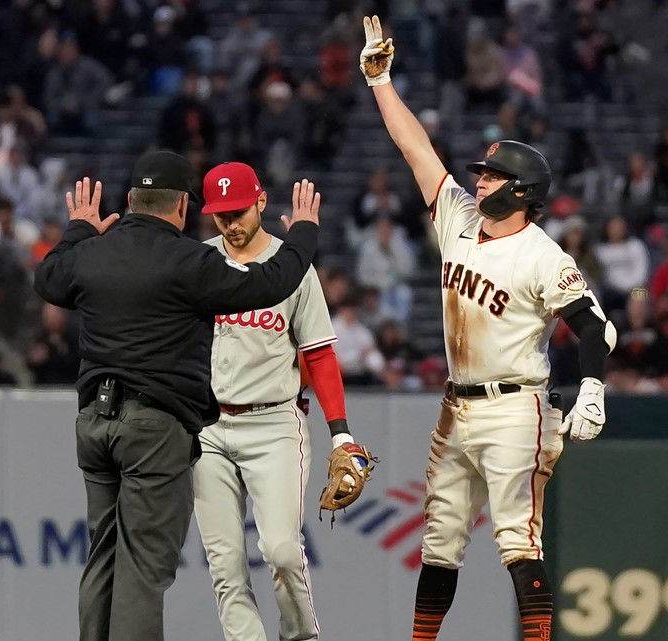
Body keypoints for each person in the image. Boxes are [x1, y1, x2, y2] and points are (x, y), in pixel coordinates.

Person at [360, 16, 617, 641]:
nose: (478, 180)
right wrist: (381, 82)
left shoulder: (543, 254)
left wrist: (593, 389)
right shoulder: (457, 219)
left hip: (515, 406)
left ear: (523, 192)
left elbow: (594, 327)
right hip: (456, 407)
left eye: (492, 176)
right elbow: (416, 149)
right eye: (480, 172)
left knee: (516, 540)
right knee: (439, 542)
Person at [32, 151, 322, 641]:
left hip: (95, 423)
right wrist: (305, 233)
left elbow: (47, 278)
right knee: (144, 565)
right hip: (153, 428)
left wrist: (80, 227)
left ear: (128, 202)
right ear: (185, 208)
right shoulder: (190, 261)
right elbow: (272, 283)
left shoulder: (93, 252)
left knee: (104, 553)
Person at [192, 161, 372, 641]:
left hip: (272, 423)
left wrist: (342, 432)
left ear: (260, 203)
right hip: (207, 429)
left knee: (283, 553)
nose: (230, 223)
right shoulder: (198, 262)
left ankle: (300, 637)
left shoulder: (292, 266)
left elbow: (319, 354)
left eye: (238, 211)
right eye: (220, 214)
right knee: (225, 565)